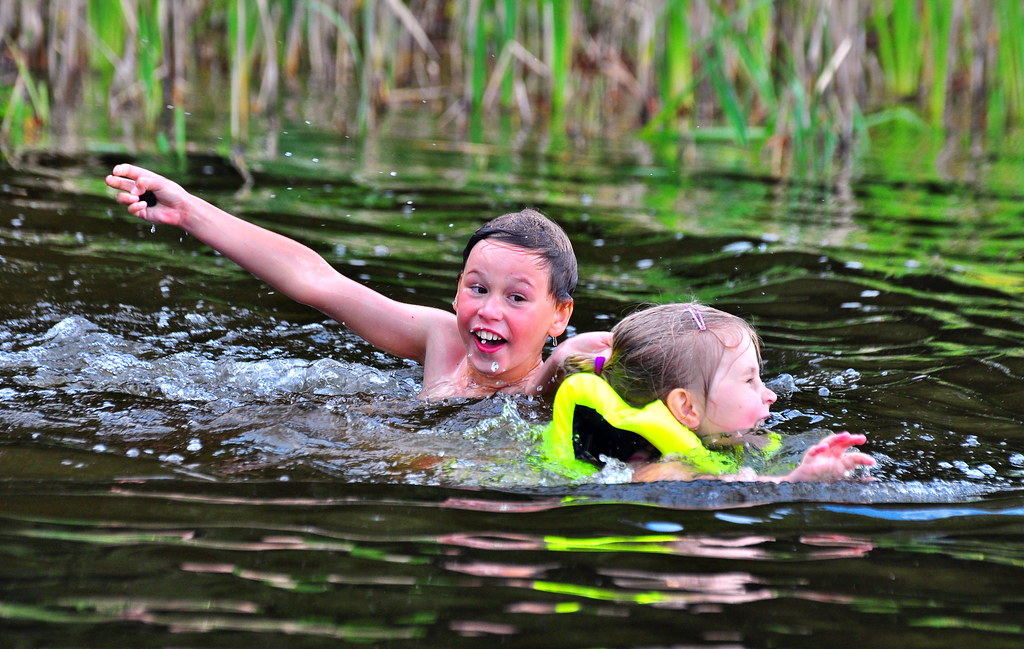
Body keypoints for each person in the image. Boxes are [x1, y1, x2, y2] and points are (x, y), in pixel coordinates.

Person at [105, 163, 610, 400]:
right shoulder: (442, 341)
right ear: (457, 287)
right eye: (477, 288)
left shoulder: (552, 387)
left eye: (517, 298)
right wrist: (190, 210)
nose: (489, 310)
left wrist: (572, 360)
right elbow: (316, 280)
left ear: (560, 315)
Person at [540, 302, 875, 482]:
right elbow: (730, 488)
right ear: (686, 408)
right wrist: (797, 479)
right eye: (749, 381)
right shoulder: (663, 471)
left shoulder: (728, 441)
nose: (769, 394)